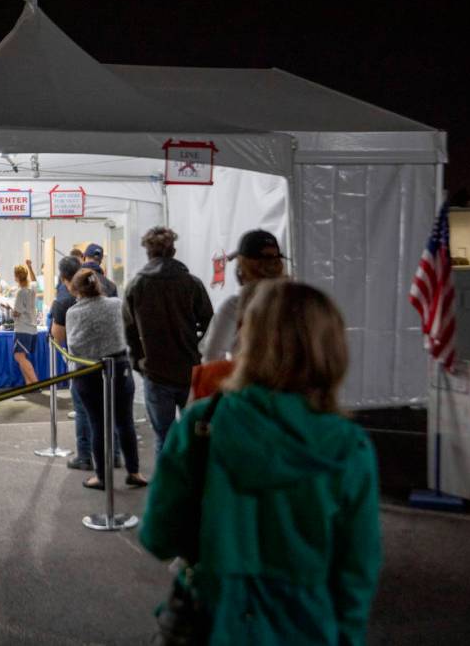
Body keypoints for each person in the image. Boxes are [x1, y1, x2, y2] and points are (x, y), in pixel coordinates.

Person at [140, 280, 382, 645]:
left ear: (250, 340)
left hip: (212, 625)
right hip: (308, 629)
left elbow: (158, 537)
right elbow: (357, 572)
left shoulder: (202, 424)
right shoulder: (349, 448)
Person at [123, 227, 213, 457]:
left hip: (155, 371)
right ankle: (195, 488)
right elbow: (209, 321)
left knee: (164, 437)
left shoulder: (136, 286)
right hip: (189, 368)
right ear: (173, 250)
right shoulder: (191, 283)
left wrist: (139, 362)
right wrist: (196, 346)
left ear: (148, 252)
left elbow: (129, 331)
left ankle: (167, 489)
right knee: (195, 435)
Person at [65, 269, 147, 490]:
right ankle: (134, 471)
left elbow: (73, 346)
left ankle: (101, 476)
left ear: (75, 289)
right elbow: (129, 327)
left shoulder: (73, 312)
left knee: (97, 424)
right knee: (125, 422)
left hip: (88, 372)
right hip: (120, 367)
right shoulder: (115, 304)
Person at [50, 257, 122, 470]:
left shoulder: (65, 302)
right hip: (112, 360)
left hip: (84, 364)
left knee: (84, 412)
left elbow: (59, 336)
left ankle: (85, 456)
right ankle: (114, 454)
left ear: (64, 279)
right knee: (110, 410)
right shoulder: (110, 288)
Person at [200, 228, 286, 363]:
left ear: (243, 265)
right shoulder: (300, 301)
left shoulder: (235, 306)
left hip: (251, 381)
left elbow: (212, 358)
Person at [8, 260, 39, 385]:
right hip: (32, 329)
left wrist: (9, 309)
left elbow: (16, 313)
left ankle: (36, 384)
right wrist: (30, 267)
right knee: (21, 357)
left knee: (19, 357)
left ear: (16, 277)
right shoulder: (31, 289)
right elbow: (35, 280)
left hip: (22, 329)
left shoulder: (21, 292)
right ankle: (28, 383)